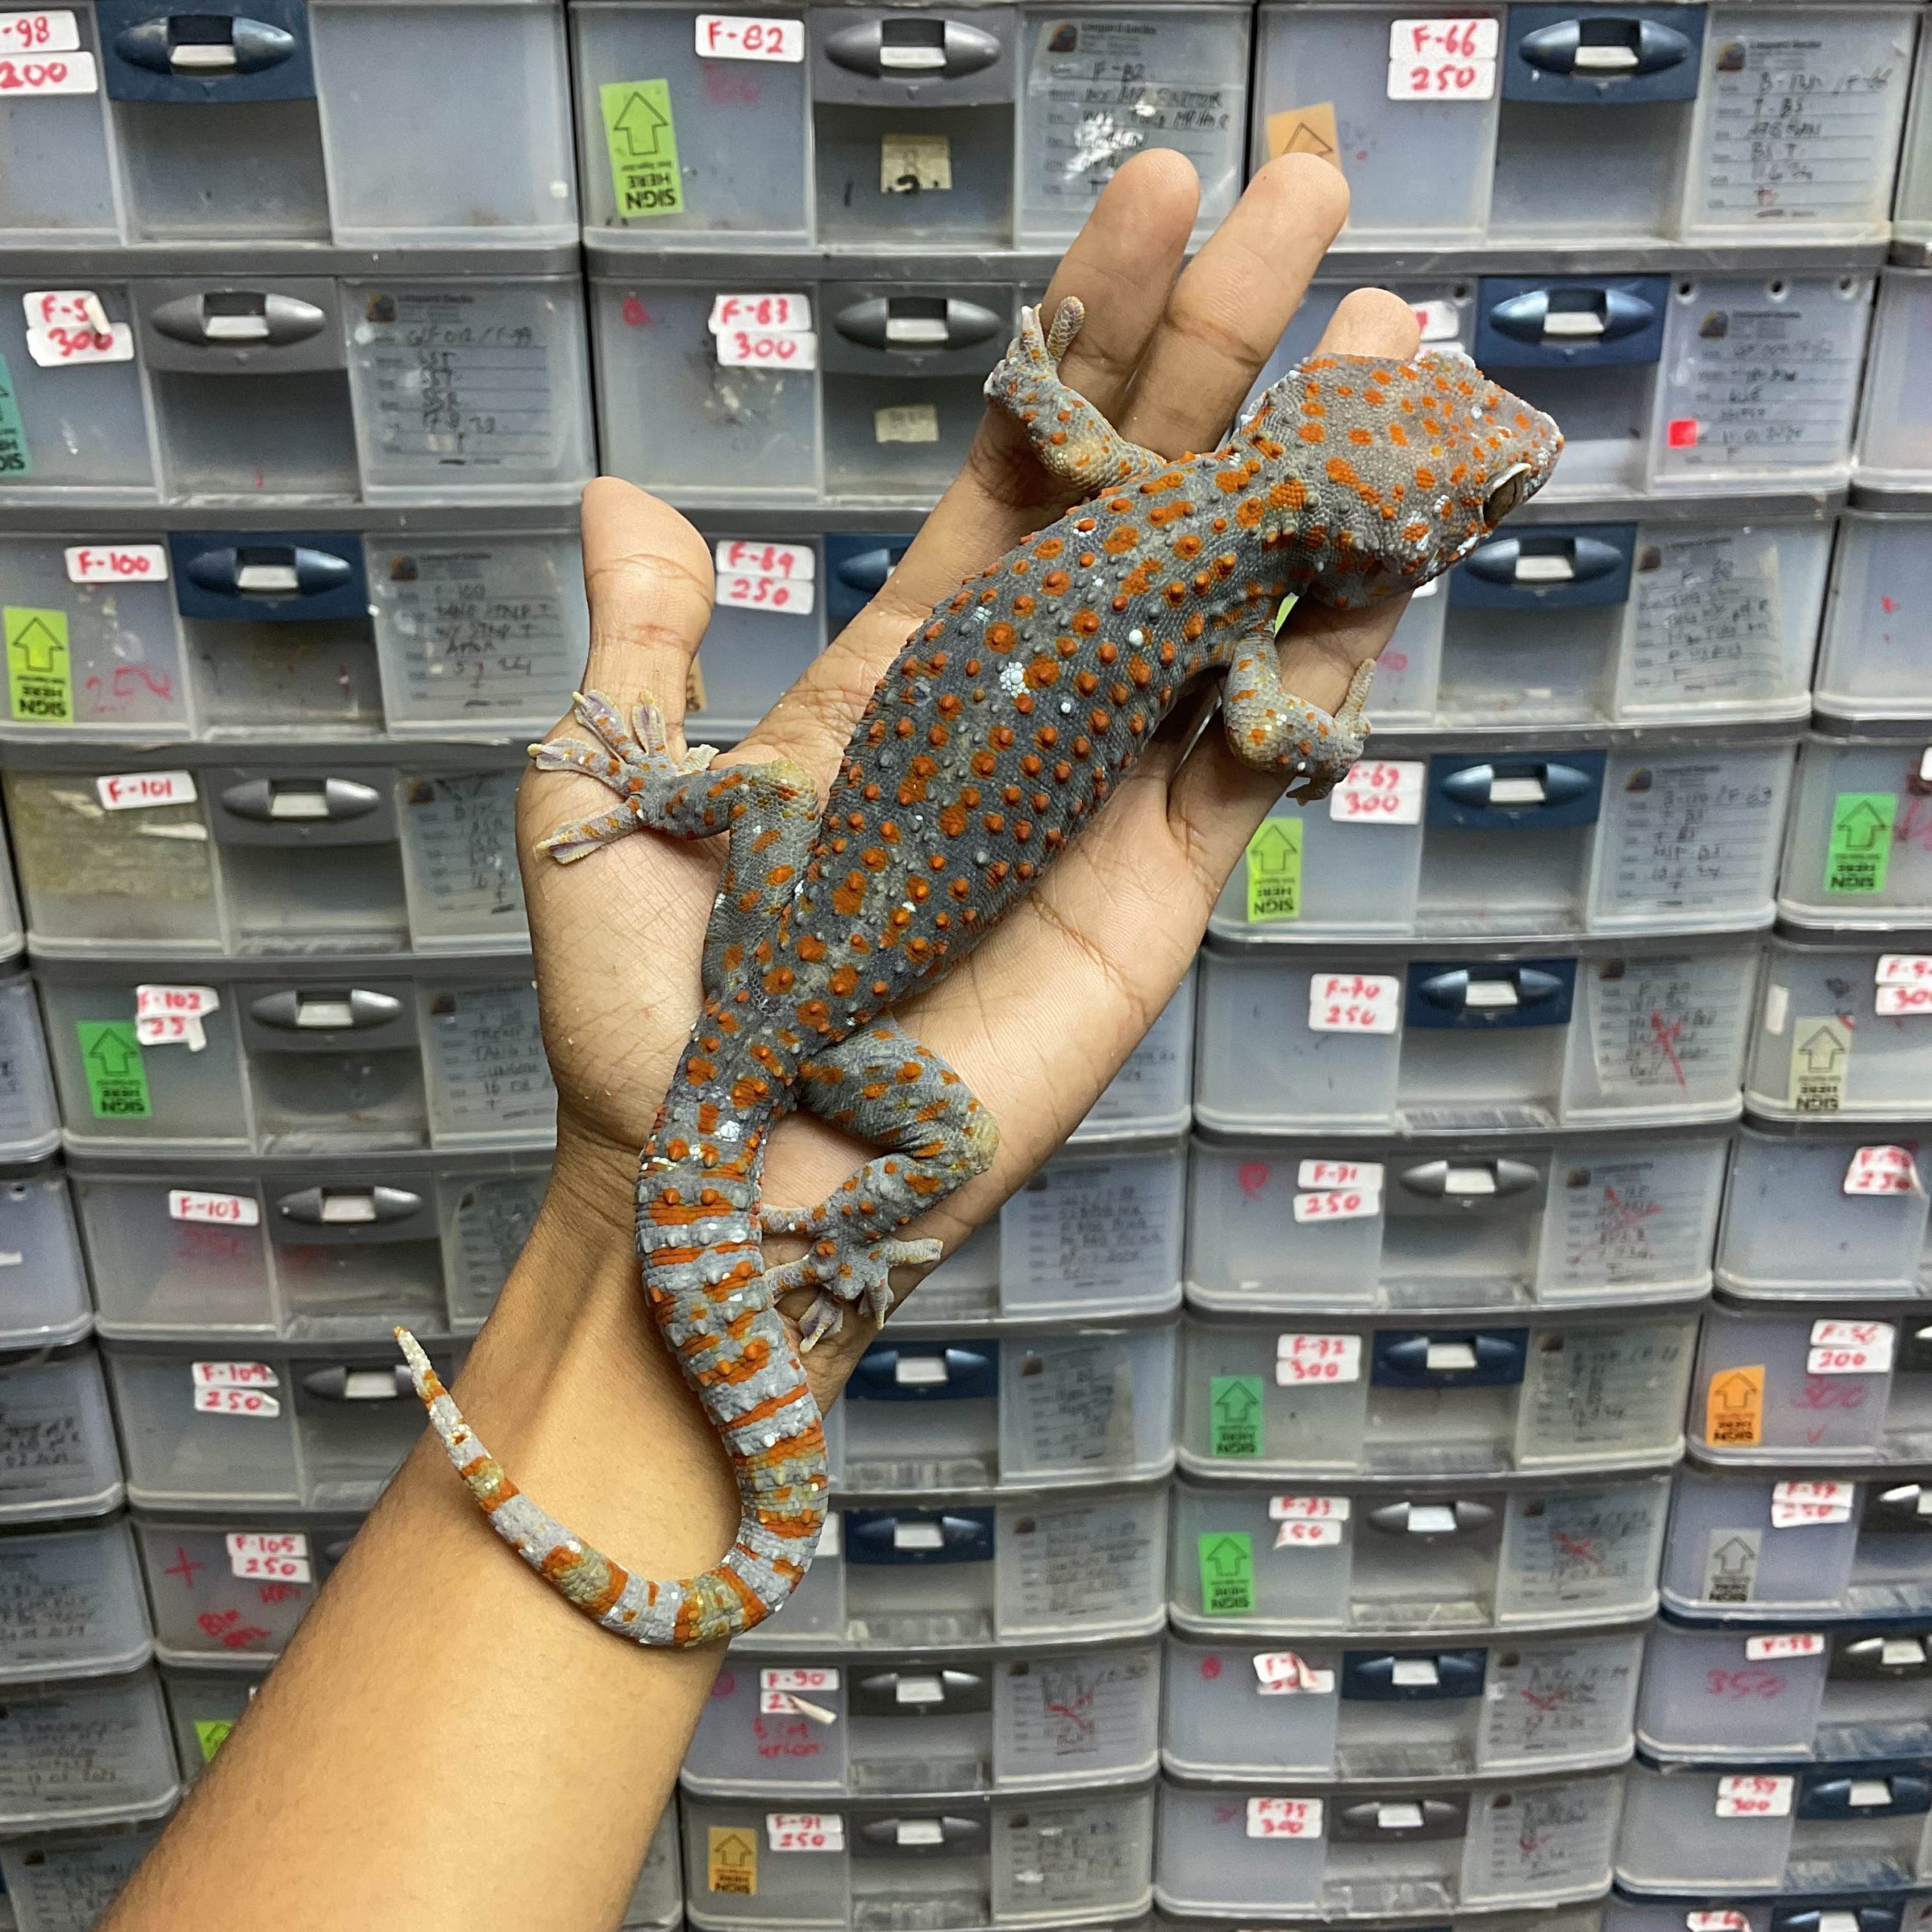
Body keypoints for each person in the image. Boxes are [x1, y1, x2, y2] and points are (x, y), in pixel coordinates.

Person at [102, 147, 1420, 1931]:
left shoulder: (1147, 484)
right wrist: (1324, 742)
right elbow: (1266, 727)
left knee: (771, 817)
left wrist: (1026, 387)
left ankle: (683, 827)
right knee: (949, 1141)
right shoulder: (1232, 627)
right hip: (810, 1017)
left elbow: (1047, 407)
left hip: (784, 928)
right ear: (1363, 546)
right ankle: (853, 1244)